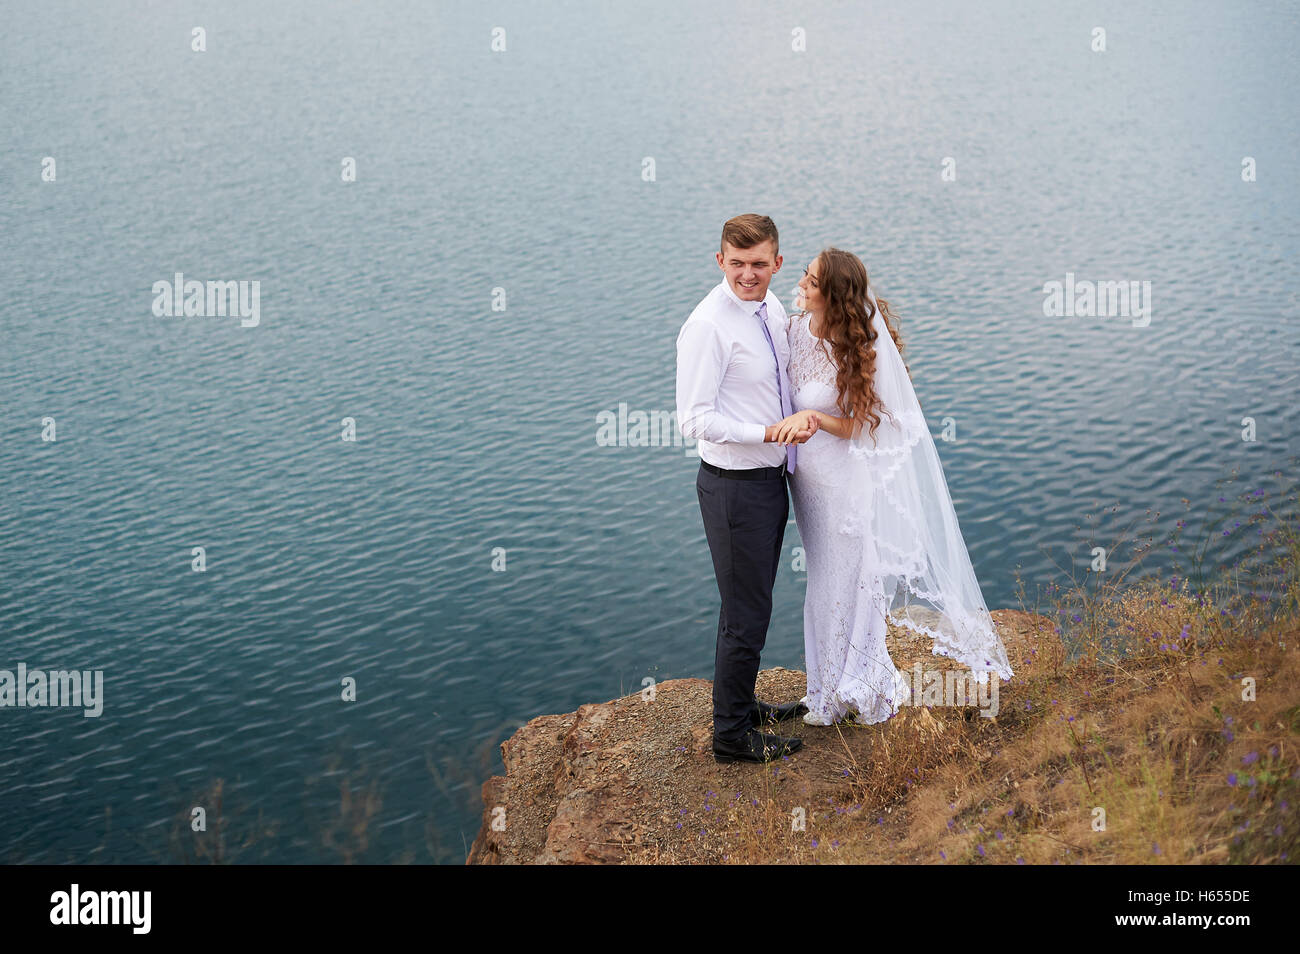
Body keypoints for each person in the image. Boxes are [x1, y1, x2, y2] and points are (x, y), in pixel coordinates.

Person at [771, 247, 1014, 726]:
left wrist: (816, 418)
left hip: (842, 484)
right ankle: (825, 686)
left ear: (833, 296)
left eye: (812, 280)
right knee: (821, 582)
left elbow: (861, 426)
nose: (801, 282)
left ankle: (859, 684)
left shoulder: (856, 349)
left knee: (849, 580)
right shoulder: (794, 331)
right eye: (804, 273)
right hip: (806, 484)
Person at [675, 214, 814, 763]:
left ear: (777, 262)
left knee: (749, 606)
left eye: (759, 264)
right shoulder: (708, 326)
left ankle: (744, 705)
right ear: (720, 261)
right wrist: (766, 433)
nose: (749, 275)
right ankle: (730, 737)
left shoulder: (771, 307)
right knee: (746, 615)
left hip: (768, 480)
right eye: (738, 264)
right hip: (734, 488)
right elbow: (693, 419)